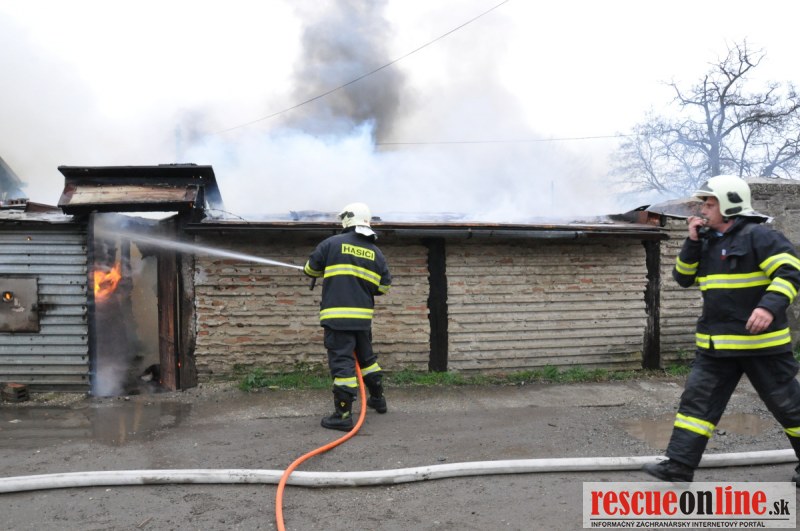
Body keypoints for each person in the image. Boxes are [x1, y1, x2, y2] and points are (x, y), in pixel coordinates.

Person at [643, 175, 800, 486]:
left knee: (790, 408)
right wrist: (692, 241)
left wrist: (768, 307)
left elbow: (790, 272)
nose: (703, 210)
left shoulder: (761, 236)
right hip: (716, 347)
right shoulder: (707, 241)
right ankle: (679, 466)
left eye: (710, 204)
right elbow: (683, 278)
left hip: (762, 347)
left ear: (730, 205)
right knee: (696, 407)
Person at [303, 202, 392, 431]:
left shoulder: (332, 243)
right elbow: (383, 287)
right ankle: (378, 399)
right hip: (362, 320)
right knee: (367, 360)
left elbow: (311, 269)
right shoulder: (376, 253)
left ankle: (343, 416)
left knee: (342, 364)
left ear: (347, 219)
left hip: (337, 318)